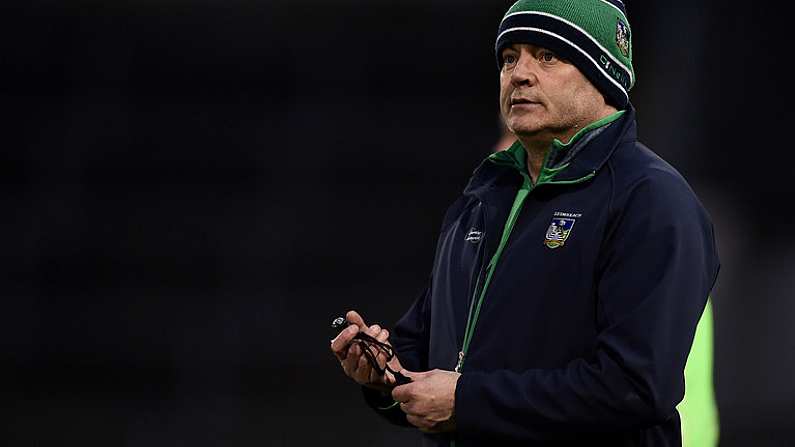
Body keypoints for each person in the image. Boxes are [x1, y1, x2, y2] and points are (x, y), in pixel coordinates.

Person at [330, 0, 719, 445]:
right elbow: (427, 352)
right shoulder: (482, 199)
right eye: (510, 57)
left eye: (547, 55)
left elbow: (633, 387)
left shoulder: (651, 199)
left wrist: (468, 402)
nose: (519, 73)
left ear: (603, 72)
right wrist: (385, 376)